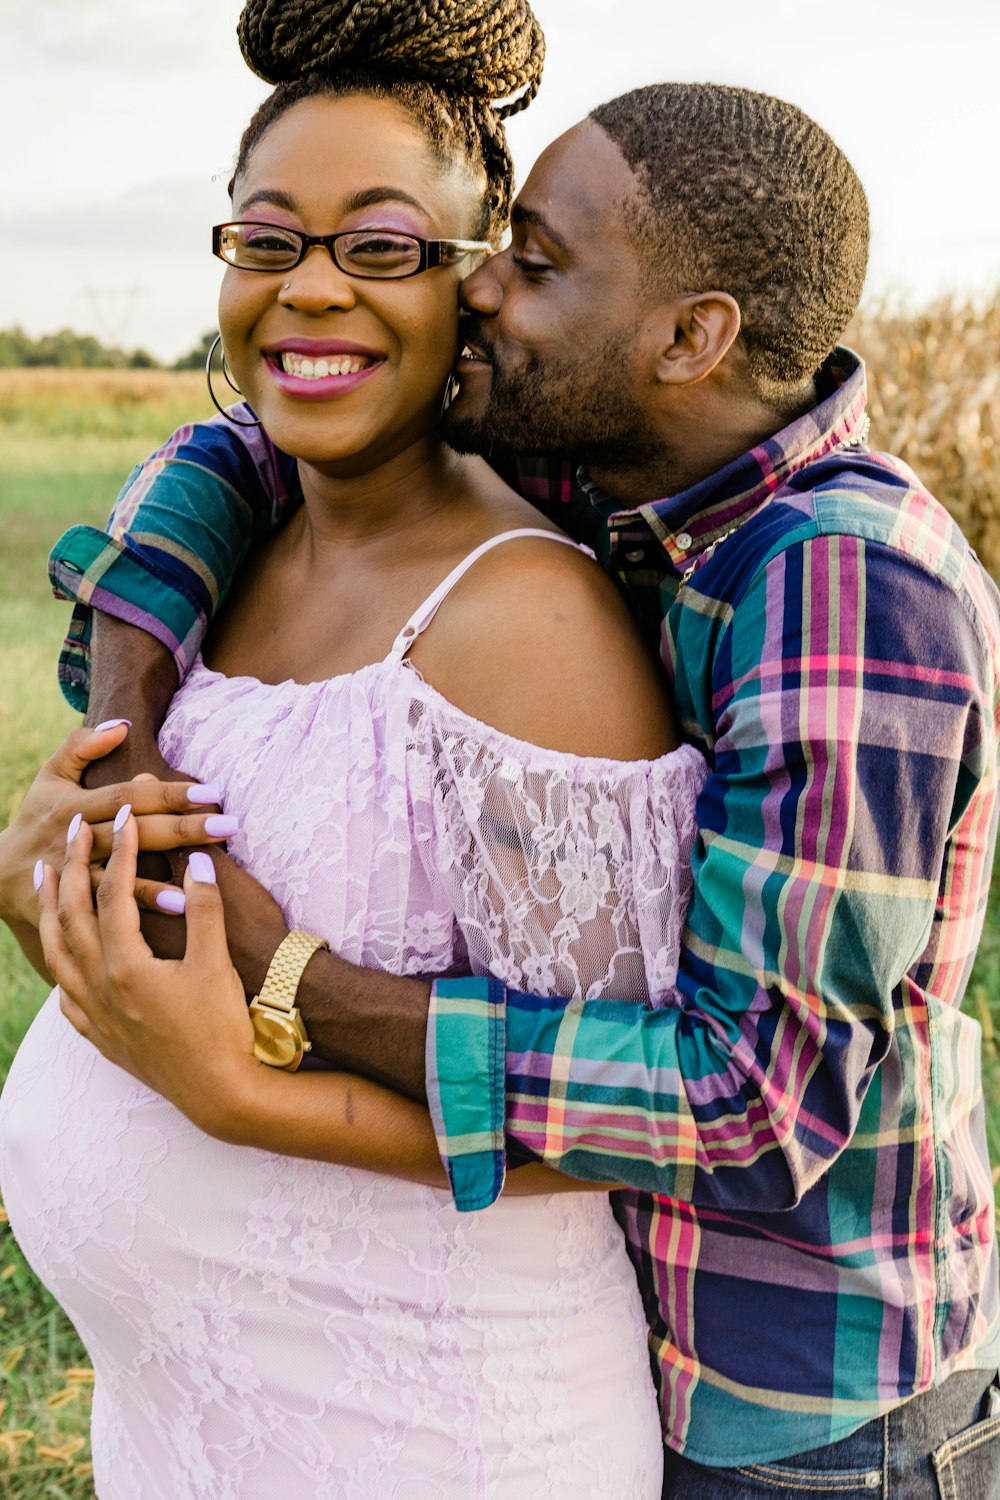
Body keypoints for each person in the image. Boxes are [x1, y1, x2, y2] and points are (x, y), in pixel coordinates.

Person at [4, 67, 1000, 1500]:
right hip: (603, 1340)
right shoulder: (618, 463)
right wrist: (125, 743)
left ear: (691, 336)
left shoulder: (846, 582)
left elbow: (753, 1108)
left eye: (531, 267)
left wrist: (276, 986)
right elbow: (224, 451)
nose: (478, 298)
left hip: (799, 1408)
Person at [0, 4, 715, 1497]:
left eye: (381, 247)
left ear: (483, 288)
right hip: (193, 1425)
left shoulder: (527, 620)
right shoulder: (235, 554)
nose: (307, 291)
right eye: (267, 242)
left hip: (427, 1435)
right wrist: (64, 910)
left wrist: (232, 1087)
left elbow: (611, 1126)